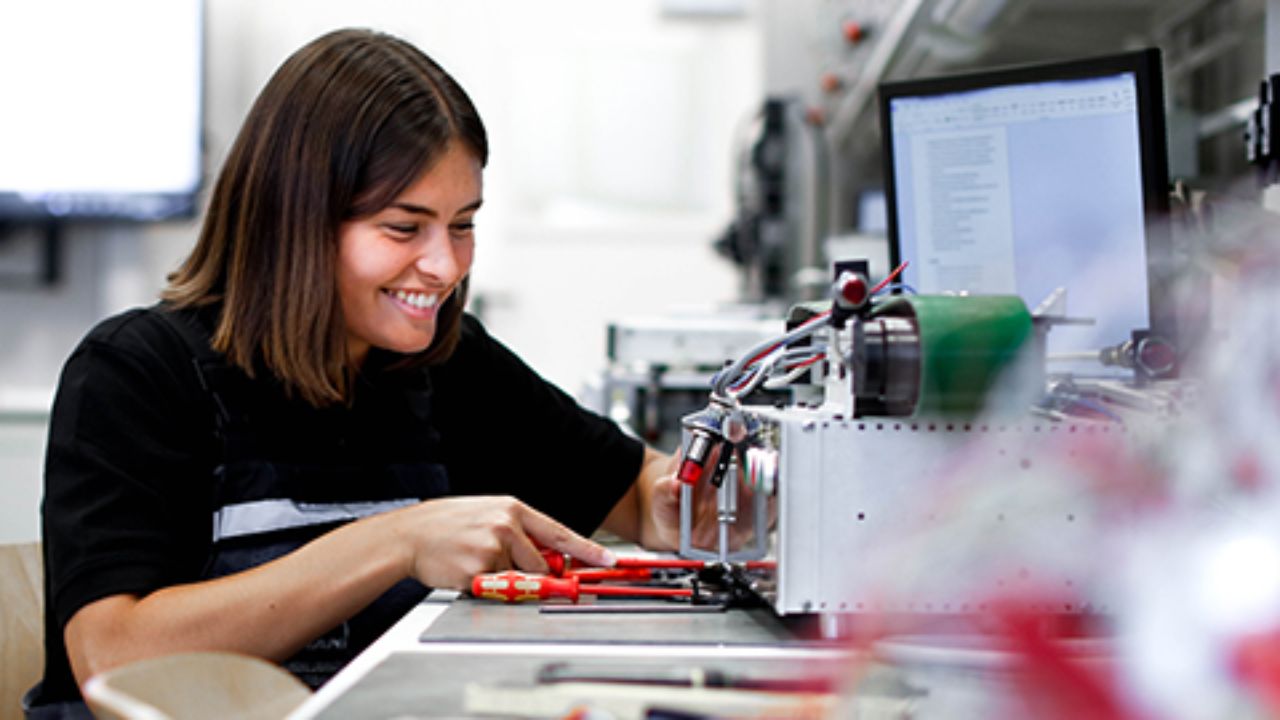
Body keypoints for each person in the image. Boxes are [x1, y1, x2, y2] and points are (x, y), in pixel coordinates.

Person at [26, 28, 724, 717]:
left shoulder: (446, 366)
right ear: (295, 219)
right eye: (403, 228)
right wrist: (397, 542)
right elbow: (112, 658)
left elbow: (637, 494)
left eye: (462, 225)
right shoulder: (136, 373)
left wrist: (693, 498)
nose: (445, 267)